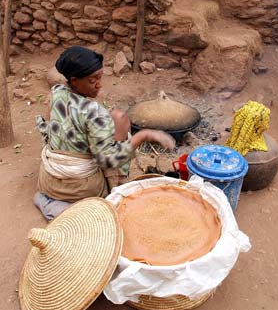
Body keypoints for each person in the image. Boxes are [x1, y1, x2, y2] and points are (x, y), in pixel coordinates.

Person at [34, 46, 175, 221]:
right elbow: (107, 160)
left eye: (100, 77)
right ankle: (119, 185)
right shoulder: (93, 112)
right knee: (120, 118)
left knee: (114, 118)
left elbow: (50, 126)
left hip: (49, 182)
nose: (99, 84)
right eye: (93, 80)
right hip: (79, 189)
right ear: (75, 80)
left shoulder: (56, 92)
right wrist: (144, 135)